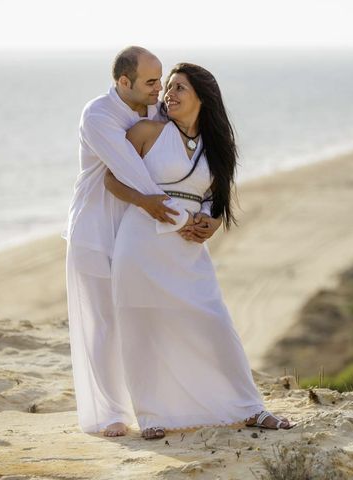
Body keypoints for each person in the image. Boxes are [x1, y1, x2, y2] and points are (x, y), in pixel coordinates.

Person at [104, 62, 293, 439]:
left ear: (202, 98)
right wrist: (146, 202)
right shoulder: (146, 132)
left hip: (188, 248)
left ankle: (250, 408)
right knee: (143, 327)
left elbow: (213, 197)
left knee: (214, 323)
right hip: (141, 242)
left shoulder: (216, 145)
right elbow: (111, 178)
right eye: (168, 87)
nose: (168, 94)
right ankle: (152, 413)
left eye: (179, 89)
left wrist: (213, 220)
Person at [63, 46, 218, 437]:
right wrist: (179, 218)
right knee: (103, 319)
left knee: (145, 316)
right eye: (152, 82)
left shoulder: (154, 110)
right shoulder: (98, 115)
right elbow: (132, 173)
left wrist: (210, 212)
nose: (160, 91)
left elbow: (186, 159)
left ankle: (159, 403)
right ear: (123, 82)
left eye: (162, 81)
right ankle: (110, 413)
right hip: (96, 227)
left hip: (138, 228)